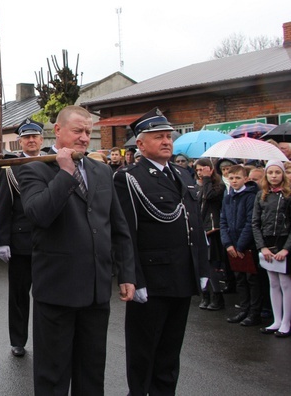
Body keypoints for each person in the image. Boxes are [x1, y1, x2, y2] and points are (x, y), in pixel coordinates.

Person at [18, 105, 136, 395]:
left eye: (89, 131)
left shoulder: (101, 170)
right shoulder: (34, 169)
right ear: (58, 131)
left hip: (96, 293)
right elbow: (39, 214)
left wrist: (126, 273)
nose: (85, 137)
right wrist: (66, 173)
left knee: (91, 374)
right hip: (58, 291)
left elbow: (116, 225)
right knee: (53, 377)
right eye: (78, 131)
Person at [113, 107, 209, 396]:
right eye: (159, 137)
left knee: (170, 349)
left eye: (169, 136)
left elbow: (195, 224)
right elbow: (125, 232)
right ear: (140, 144)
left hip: (182, 274)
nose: (167, 141)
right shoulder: (129, 177)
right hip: (152, 278)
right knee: (144, 349)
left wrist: (202, 268)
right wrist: (134, 278)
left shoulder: (183, 174)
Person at [0, 118, 43, 358]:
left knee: (47, 296)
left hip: (49, 243)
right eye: (27, 137)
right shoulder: (11, 169)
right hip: (22, 243)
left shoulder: (52, 165)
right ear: (19, 142)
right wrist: (2, 240)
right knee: (19, 296)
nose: (31, 141)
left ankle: (46, 339)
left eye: (35, 136)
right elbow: (3, 207)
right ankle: (18, 340)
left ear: (42, 140)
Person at [252, 160, 291, 337]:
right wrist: (262, 247)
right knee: (273, 283)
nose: (274, 176)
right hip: (267, 244)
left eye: (277, 172)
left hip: (283, 242)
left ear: (283, 174)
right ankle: (276, 320)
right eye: (270, 173)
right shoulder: (261, 195)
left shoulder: (288, 196)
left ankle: (286, 322)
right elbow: (255, 223)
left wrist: (286, 249)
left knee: (285, 283)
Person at [220, 164, 262, 326]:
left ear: (245, 179)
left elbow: (250, 222)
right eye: (232, 178)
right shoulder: (228, 197)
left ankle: (254, 312)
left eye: (238, 178)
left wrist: (240, 246)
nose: (234, 181)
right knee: (240, 280)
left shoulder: (251, 196)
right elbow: (223, 221)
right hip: (232, 246)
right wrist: (228, 244)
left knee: (252, 280)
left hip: (246, 246)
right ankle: (243, 309)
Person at [194, 157, 227, 311]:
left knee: (211, 265)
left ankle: (217, 297)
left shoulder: (218, 186)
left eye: (203, 169)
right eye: (198, 170)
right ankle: (205, 295)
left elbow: (209, 196)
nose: (200, 173)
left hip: (213, 230)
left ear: (211, 169)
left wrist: (207, 178)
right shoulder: (198, 186)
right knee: (202, 263)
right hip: (200, 229)